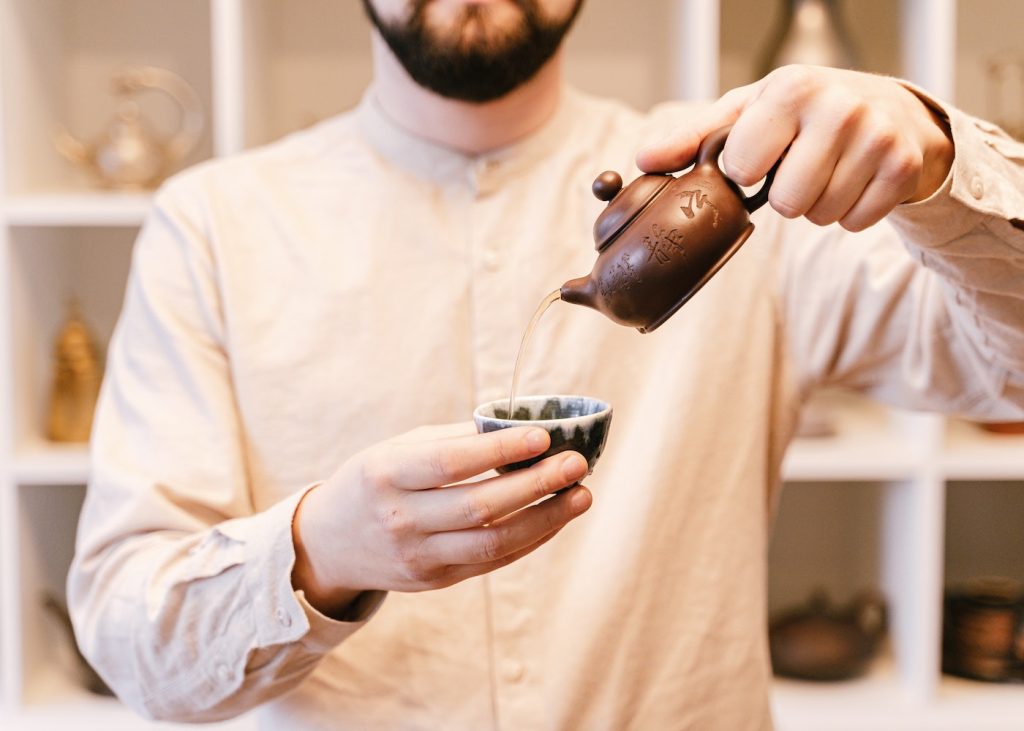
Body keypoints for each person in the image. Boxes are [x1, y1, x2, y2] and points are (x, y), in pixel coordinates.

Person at [68, 1, 1024, 728]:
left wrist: (945, 173)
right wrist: (323, 550)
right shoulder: (213, 228)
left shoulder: (752, 201)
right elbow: (127, 634)